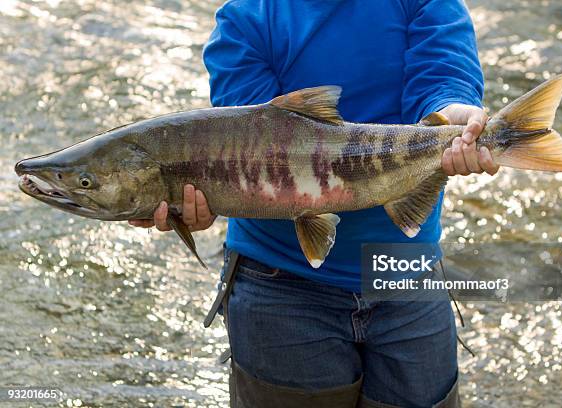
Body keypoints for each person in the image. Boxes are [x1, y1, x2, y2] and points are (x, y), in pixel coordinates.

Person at [130, 0, 499, 406]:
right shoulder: (245, 18)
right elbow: (245, 148)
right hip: (278, 285)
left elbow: (443, 78)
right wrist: (196, 202)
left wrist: (455, 122)